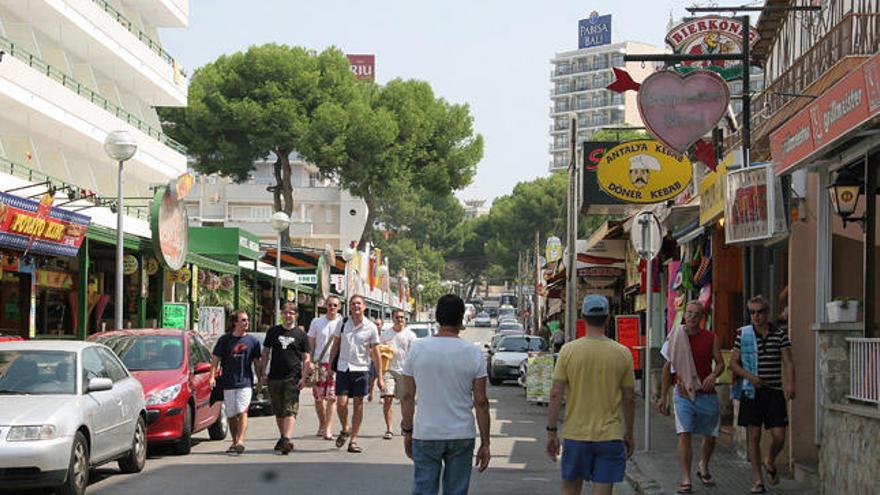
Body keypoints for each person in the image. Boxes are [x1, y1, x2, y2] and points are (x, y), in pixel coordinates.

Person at [401, 294, 491, 495]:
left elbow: (407, 396)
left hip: (426, 433)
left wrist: (407, 431)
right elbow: (481, 402)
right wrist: (485, 442)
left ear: (438, 318)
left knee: (424, 489)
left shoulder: (417, 349)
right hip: (461, 434)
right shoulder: (473, 353)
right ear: (461, 319)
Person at [546, 294, 635, 495]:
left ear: (583, 316)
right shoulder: (622, 353)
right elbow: (629, 398)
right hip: (610, 436)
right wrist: (628, 433)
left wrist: (551, 432)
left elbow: (555, 394)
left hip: (576, 435)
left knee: (570, 490)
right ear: (607, 318)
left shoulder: (568, 351)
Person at [656, 301, 725, 494]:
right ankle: (686, 478)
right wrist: (663, 396)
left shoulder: (711, 338)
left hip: (706, 392)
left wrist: (713, 375)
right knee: (684, 433)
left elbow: (720, 363)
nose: (692, 317)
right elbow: (667, 368)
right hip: (683, 393)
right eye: (689, 313)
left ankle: (704, 464)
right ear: (684, 314)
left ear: (702, 318)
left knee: (710, 435)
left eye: (696, 314)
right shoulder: (675, 337)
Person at [729, 295, 795, 495]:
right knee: (754, 436)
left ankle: (770, 459)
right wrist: (750, 376)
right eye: (752, 312)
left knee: (779, 436)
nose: (756, 316)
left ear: (767, 313)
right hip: (752, 391)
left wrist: (791, 384)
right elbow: (733, 363)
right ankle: (758, 480)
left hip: (774, 391)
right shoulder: (744, 335)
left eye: (759, 312)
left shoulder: (780, 334)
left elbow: (788, 361)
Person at [328, 295, 384, 453]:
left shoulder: (371, 327)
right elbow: (335, 345)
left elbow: (376, 353)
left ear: (364, 306)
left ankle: (353, 440)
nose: (355, 306)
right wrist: (330, 367)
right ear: (349, 307)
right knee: (341, 403)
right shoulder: (343, 323)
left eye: (358, 304)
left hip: (361, 369)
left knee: (358, 405)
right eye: (353, 304)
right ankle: (346, 427)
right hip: (343, 368)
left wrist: (380, 376)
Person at [257, 303, 312, 455]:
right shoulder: (273, 331)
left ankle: (286, 439)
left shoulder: (301, 335)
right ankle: (283, 437)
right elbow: (266, 353)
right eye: (285, 313)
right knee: (279, 410)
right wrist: (262, 372)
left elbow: (306, 358)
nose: (288, 316)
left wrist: (304, 376)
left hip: (292, 377)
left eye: (291, 313)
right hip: (274, 376)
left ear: (296, 315)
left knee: (290, 409)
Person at [210, 309, 263, 456]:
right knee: (231, 414)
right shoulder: (224, 340)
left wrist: (260, 379)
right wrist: (211, 377)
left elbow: (257, 362)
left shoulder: (253, 341)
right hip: (228, 382)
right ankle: (234, 442)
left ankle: (240, 441)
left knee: (242, 411)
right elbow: (215, 360)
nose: (247, 323)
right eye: (243, 320)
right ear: (235, 322)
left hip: (245, 382)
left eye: (247, 320)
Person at [308, 295, 343, 440]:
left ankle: (328, 428)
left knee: (331, 397)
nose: (332, 307)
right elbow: (310, 341)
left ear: (339, 307)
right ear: (325, 306)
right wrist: (309, 360)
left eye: (335, 305)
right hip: (319, 363)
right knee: (318, 398)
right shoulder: (317, 322)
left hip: (335, 364)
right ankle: (322, 423)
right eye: (329, 305)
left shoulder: (343, 322)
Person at [380, 309, 417, 440]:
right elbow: (378, 352)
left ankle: (405, 423)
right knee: (388, 398)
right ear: (393, 318)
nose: (400, 320)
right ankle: (389, 429)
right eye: (397, 317)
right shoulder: (385, 335)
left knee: (405, 400)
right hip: (388, 369)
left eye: (402, 317)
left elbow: (414, 356)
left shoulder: (411, 335)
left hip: (405, 371)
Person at [367, 317, 385, 402]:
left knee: (381, 378)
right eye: (375, 324)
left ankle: (382, 396)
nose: (376, 326)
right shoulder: (370, 335)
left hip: (382, 360)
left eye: (378, 324)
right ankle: (370, 393)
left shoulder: (384, 336)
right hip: (372, 360)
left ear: (382, 325)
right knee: (371, 379)